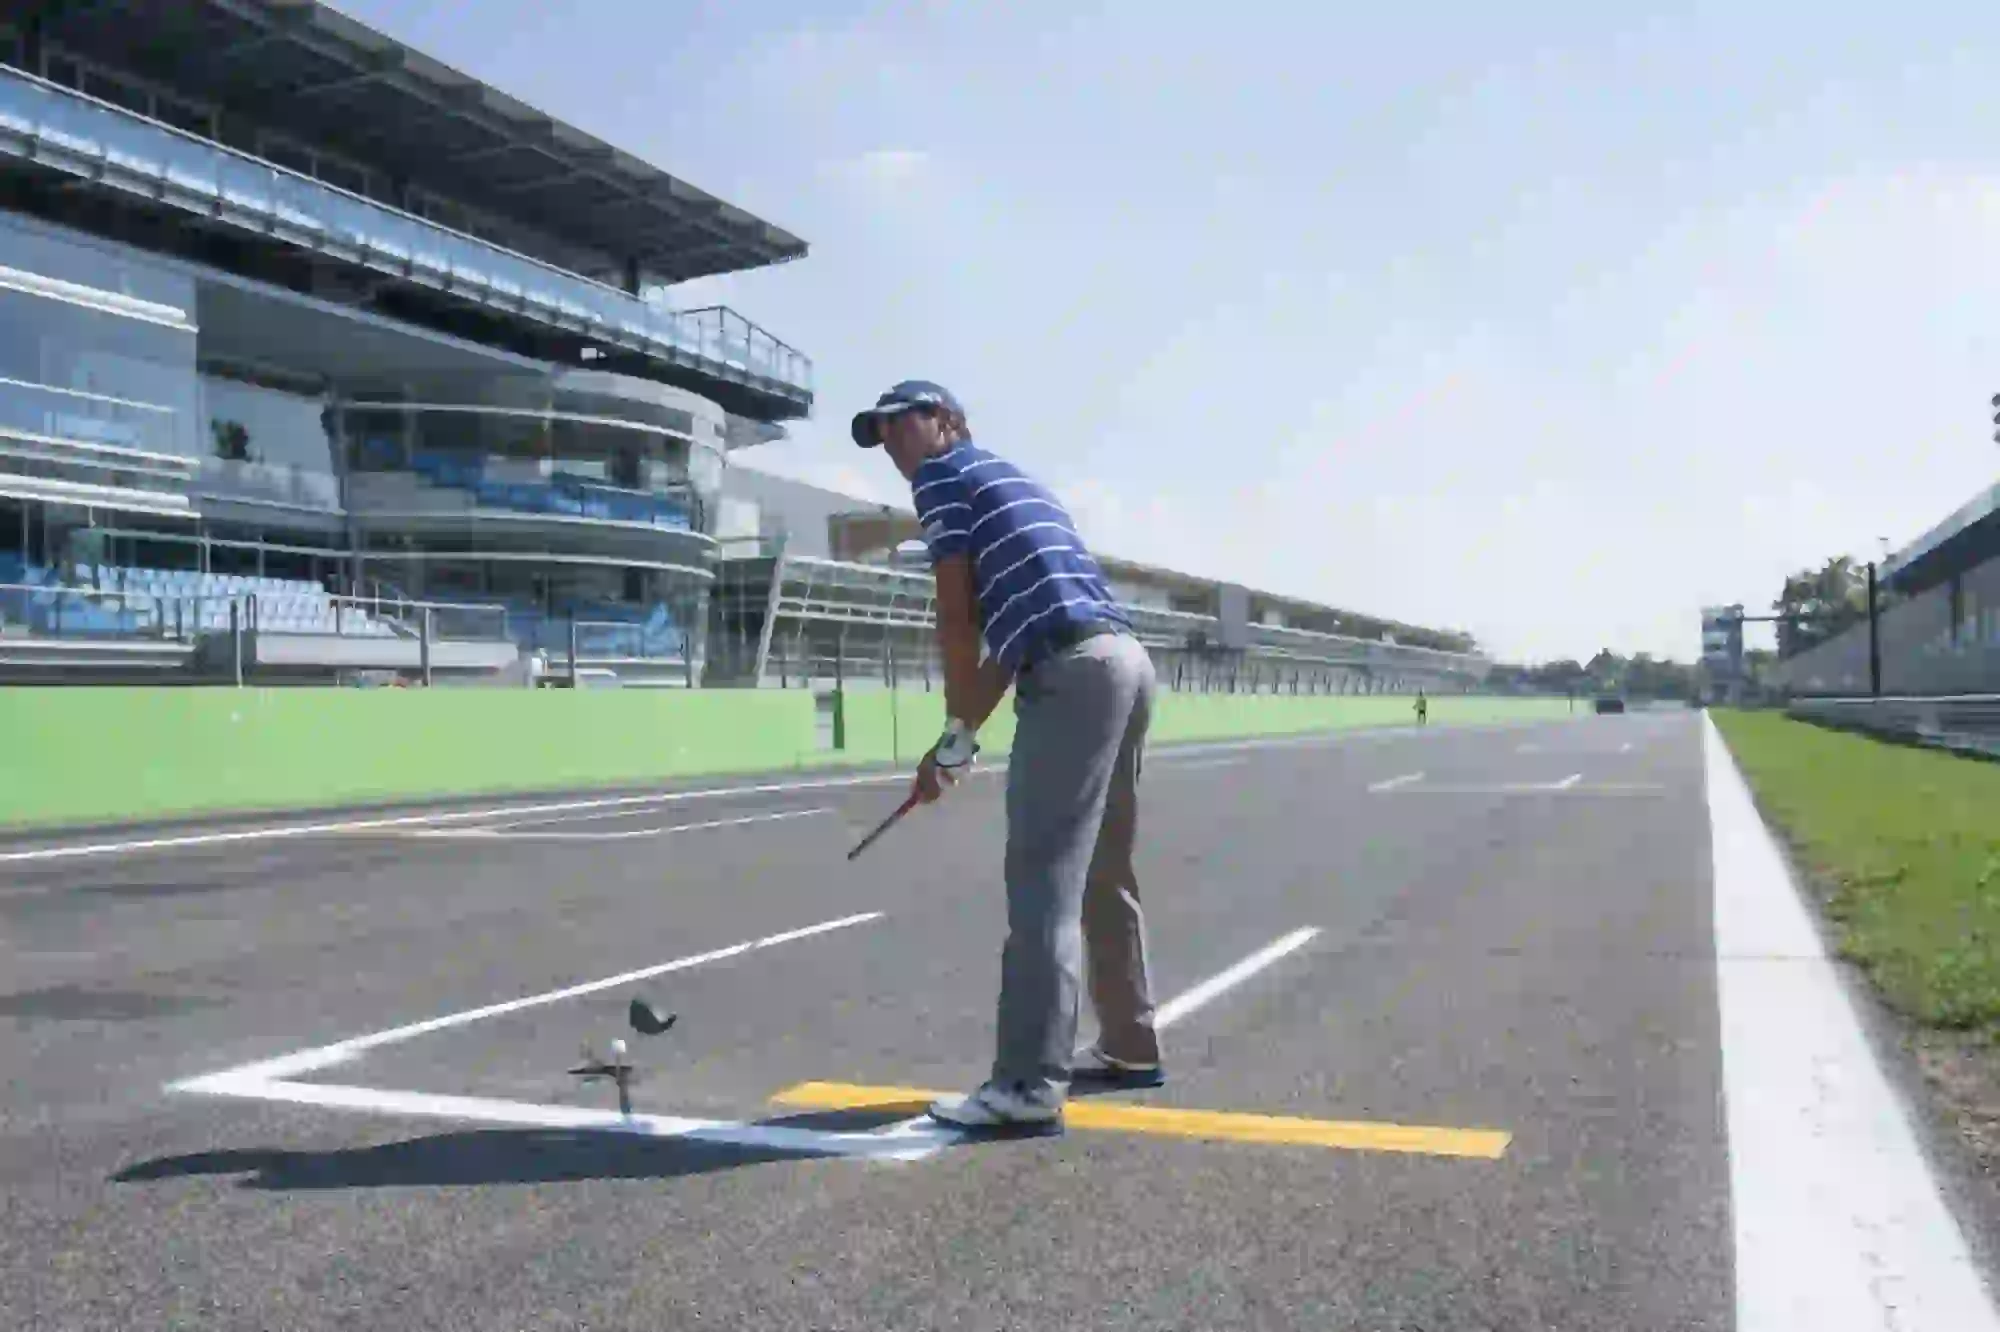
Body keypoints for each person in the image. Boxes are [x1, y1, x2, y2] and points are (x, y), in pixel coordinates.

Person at [851, 379, 1163, 1135]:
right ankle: (1127, 1043)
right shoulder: (1008, 479)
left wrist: (954, 729)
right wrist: (959, 742)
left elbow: (957, 617)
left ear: (946, 422)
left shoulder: (944, 478)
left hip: (1077, 672)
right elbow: (1013, 644)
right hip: (1122, 661)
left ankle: (1026, 1084)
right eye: (881, 432)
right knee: (1101, 872)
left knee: (1041, 882)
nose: (893, 442)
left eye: (903, 424)